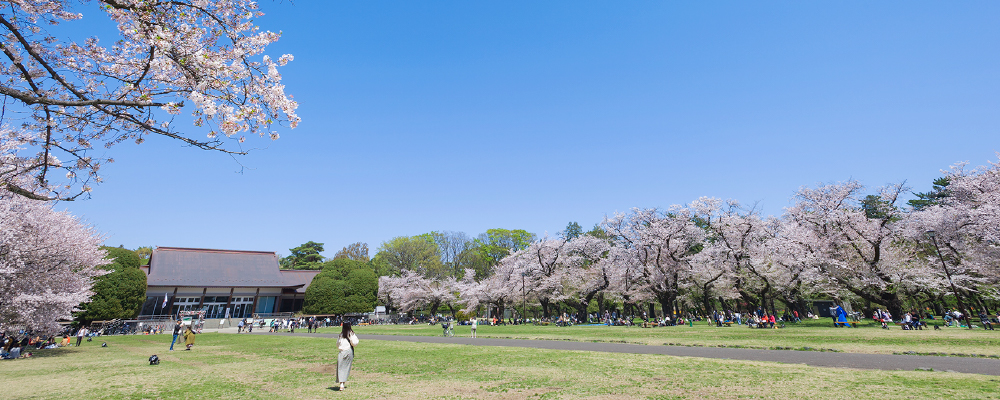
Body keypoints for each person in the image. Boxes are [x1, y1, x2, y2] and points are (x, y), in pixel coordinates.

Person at [337, 322, 360, 391]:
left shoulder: (341, 334)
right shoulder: (351, 333)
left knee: (340, 368)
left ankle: (341, 384)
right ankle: (342, 384)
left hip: (342, 351)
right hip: (348, 351)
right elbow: (355, 343)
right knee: (346, 368)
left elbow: (338, 344)